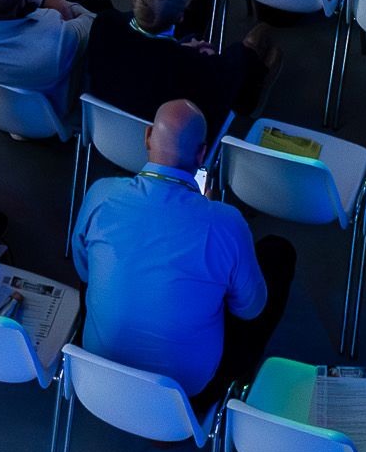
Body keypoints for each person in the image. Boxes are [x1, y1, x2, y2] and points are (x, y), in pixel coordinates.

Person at [73, 100, 287, 399]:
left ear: (148, 136)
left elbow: (84, 271)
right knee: (278, 253)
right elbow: (250, 309)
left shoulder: (102, 193)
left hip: (98, 370)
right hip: (185, 389)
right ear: (201, 155)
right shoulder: (225, 222)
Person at [86, 0, 265, 129]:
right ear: (180, 17)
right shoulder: (186, 66)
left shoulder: (104, 26)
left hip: (109, 132)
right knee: (254, 46)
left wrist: (181, 48)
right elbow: (235, 63)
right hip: (166, 144)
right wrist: (202, 55)